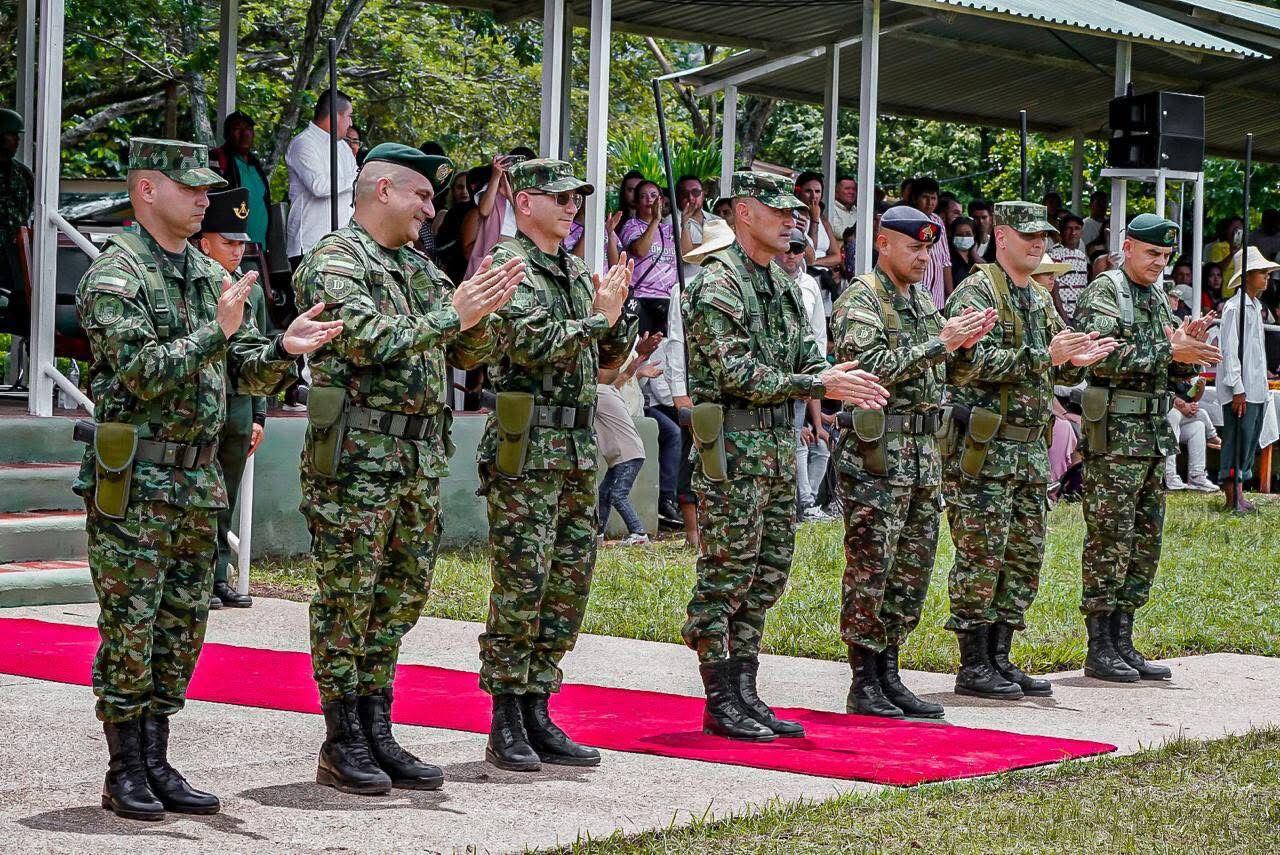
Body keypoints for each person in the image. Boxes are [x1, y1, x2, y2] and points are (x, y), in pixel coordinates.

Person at [74, 137, 340, 821]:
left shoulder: (208, 274)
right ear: (145, 189)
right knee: (132, 628)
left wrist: (282, 348)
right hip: (136, 484)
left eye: (205, 188)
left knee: (182, 627)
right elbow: (137, 374)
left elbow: (241, 368)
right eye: (188, 187)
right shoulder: (115, 275)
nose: (202, 199)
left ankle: (158, 758)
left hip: (197, 484)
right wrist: (213, 336)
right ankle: (123, 766)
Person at [294, 143, 521, 794]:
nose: (432, 209)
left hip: (416, 461)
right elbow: (366, 339)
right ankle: (342, 740)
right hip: (358, 463)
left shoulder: (420, 271)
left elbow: (465, 343)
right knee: (350, 598)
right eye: (423, 195)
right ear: (383, 190)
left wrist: (484, 309)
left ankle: (376, 729)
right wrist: (455, 313)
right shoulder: (334, 261)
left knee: (395, 600)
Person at [681, 170, 888, 742]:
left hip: (773, 447)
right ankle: (720, 696)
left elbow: (803, 357)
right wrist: (816, 382)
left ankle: (746, 692)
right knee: (726, 575)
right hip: (736, 451)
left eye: (795, 211)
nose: (792, 219)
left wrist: (829, 378)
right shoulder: (718, 283)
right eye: (778, 210)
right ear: (742, 213)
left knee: (766, 575)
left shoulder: (779, 283)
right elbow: (735, 372)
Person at [476, 159, 636, 771]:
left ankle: (539, 705)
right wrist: (597, 317)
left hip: (573, 451)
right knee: (521, 582)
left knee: (567, 584)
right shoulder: (505, 266)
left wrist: (617, 319)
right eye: (561, 198)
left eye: (577, 199)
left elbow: (599, 358)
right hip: (527, 451)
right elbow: (529, 343)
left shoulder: (572, 272)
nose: (573, 208)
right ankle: (506, 717)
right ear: (525, 203)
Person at [943, 201, 1117, 702]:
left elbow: (1049, 368)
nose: (1039, 244)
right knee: (982, 554)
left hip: (1027, 451)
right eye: (1028, 236)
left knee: (1023, 557)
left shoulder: (1038, 300)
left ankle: (1001, 656)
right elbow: (971, 363)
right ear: (1001, 237)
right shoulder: (977, 290)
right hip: (986, 449)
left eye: (1043, 237)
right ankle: (974, 662)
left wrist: (1073, 364)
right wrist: (1048, 356)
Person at [831, 206, 997, 719]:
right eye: (914, 248)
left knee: (912, 569)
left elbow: (948, 374)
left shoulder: (923, 300)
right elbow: (873, 367)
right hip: (879, 455)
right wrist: (939, 343)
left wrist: (964, 346)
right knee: (873, 567)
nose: (924, 258)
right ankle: (864, 680)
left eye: (929, 249)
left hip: (924, 454)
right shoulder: (862, 299)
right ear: (883, 244)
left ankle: (890, 672)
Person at [1073, 213, 1221, 683]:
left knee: (1142, 541)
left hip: (1152, 437)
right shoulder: (1105, 291)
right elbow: (1101, 354)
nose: (1159, 263)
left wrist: (1188, 355)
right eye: (1152, 253)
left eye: (1165, 256)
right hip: (1115, 437)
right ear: (1128, 246)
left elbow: (1170, 367)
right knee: (1109, 539)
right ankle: (1100, 646)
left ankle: (1124, 639)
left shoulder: (1157, 297)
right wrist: (1170, 351)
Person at [192, 187, 269, 610]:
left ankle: (219, 575)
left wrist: (259, 414)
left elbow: (256, 353)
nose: (237, 251)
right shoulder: (195, 286)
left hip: (238, 403)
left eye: (241, 243)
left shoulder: (251, 289)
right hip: (203, 402)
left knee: (228, 492)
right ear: (204, 243)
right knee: (200, 495)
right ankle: (198, 577)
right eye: (228, 242)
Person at [1215, 245, 1280, 511]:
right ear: (1248, 275)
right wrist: (1237, 388)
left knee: (1249, 440)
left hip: (1255, 387)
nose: (1266, 277)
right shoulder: (1235, 308)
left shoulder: (1255, 306)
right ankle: (1232, 495)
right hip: (1241, 389)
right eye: (1262, 272)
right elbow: (1229, 350)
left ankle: (1240, 491)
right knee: (1236, 440)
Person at [777, 228, 832, 523]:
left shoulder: (810, 285)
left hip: (801, 377)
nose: (791, 254)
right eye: (787, 247)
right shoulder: (765, 279)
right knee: (788, 439)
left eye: (797, 249)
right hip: (772, 377)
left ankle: (805, 502)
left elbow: (819, 338)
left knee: (802, 438)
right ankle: (797, 501)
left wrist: (816, 378)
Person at [285, 90, 358, 265]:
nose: (351, 123)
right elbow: (320, 186)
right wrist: (357, 177)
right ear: (335, 115)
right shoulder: (303, 143)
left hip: (344, 243)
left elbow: (357, 187)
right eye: (349, 116)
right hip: (311, 244)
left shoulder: (343, 147)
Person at [596, 348, 657, 547]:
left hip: (626, 454)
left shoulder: (596, 393)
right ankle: (598, 533)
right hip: (625, 453)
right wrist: (632, 368)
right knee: (604, 492)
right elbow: (622, 378)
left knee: (617, 494)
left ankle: (639, 533)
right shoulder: (607, 390)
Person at [620, 179, 679, 335]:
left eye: (653, 195)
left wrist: (685, 220)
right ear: (636, 203)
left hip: (667, 299)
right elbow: (640, 250)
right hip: (641, 298)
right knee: (641, 345)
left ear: (661, 200)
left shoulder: (669, 230)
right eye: (643, 196)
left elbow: (685, 253)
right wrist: (655, 220)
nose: (649, 200)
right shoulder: (631, 226)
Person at [207, 111, 271, 248]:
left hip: (261, 247)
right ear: (227, 134)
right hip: (231, 247)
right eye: (237, 129)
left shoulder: (256, 164)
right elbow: (211, 199)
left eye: (248, 129)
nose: (245, 134)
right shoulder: (217, 158)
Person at [0, 108, 34, 323]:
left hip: (15, 253)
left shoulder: (22, 174)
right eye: (11, 135)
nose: (16, 141)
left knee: (24, 307)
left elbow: (28, 208)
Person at [1164, 381, 1219, 492]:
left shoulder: (1184, 377)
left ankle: (1197, 477)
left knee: (1198, 425)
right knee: (1173, 414)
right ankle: (1169, 475)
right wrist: (1178, 404)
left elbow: (1191, 397)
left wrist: (1191, 403)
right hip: (1160, 419)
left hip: (1179, 417)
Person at [907, 177, 951, 307]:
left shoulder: (938, 221)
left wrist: (950, 294)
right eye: (925, 197)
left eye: (933, 198)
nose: (930, 203)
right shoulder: (907, 220)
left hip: (937, 298)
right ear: (915, 198)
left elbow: (945, 261)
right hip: (913, 294)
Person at [795, 171, 842, 271]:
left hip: (824, 275)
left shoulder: (823, 220)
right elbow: (812, 249)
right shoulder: (794, 218)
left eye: (817, 191)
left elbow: (837, 256)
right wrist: (814, 220)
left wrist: (815, 262)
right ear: (798, 193)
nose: (813, 196)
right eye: (808, 191)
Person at [677, 173, 719, 284]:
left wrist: (695, 249)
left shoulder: (717, 220)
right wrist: (716, 248)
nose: (691, 198)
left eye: (695, 192)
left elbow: (728, 249)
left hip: (714, 285)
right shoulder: (671, 220)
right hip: (685, 287)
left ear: (703, 194)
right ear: (678, 196)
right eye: (685, 194)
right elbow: (686, 255)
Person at [1049, 212, 1089, 325]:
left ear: (1081, 232)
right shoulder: (1055, 253)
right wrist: (1064, 319)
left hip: (1080, 317)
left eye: (1077, 228)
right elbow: (1053, 289)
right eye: (1068, 228)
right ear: (1061, 232)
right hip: (1064, 317)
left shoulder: (1081, 255)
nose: (1073, 233)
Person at [949, 216, 978, 283]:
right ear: (952, 235)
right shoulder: (948, 259)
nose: (964, 237)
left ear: (974, 235)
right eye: (959, 234)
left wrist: (975, 255)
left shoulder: (974, 258)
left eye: (968, 234)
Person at [829, 175, 858, 241]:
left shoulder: (857, 211)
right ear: (836, 192)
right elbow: (840, 233)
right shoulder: (831, 209)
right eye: (847, 188)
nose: (851, 192)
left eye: (854, 189)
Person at [968, 198, 996, 263]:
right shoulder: (965, 241)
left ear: (990, 219)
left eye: (984, 217)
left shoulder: (997, 244)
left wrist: (975, 256)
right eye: (976, 218)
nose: (980, 222)